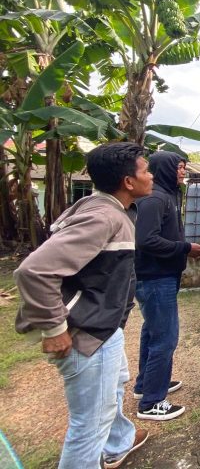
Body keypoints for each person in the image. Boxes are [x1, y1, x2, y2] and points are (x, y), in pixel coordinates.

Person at [14, 142, 153, 469]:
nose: (151, 176)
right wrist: (55, 328)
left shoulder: (106, 208)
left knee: (115, 386)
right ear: (128, 182)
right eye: (145, 170)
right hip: (87, 333)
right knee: (89, 424)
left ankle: (118, 443)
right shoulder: (103, 217)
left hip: (104, 328)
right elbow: (34, 270)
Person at [133, 152, 200, 421]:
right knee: (165, 338)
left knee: (152, 332)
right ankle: (152, 401)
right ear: (165, 170)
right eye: (180, 168)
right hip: (154, 277)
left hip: (162, 275)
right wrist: (185, 248)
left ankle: (146, 384)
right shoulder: (155, 198)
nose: (183, 172)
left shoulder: (168, 195)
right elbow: (146, 241)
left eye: (184, 167)